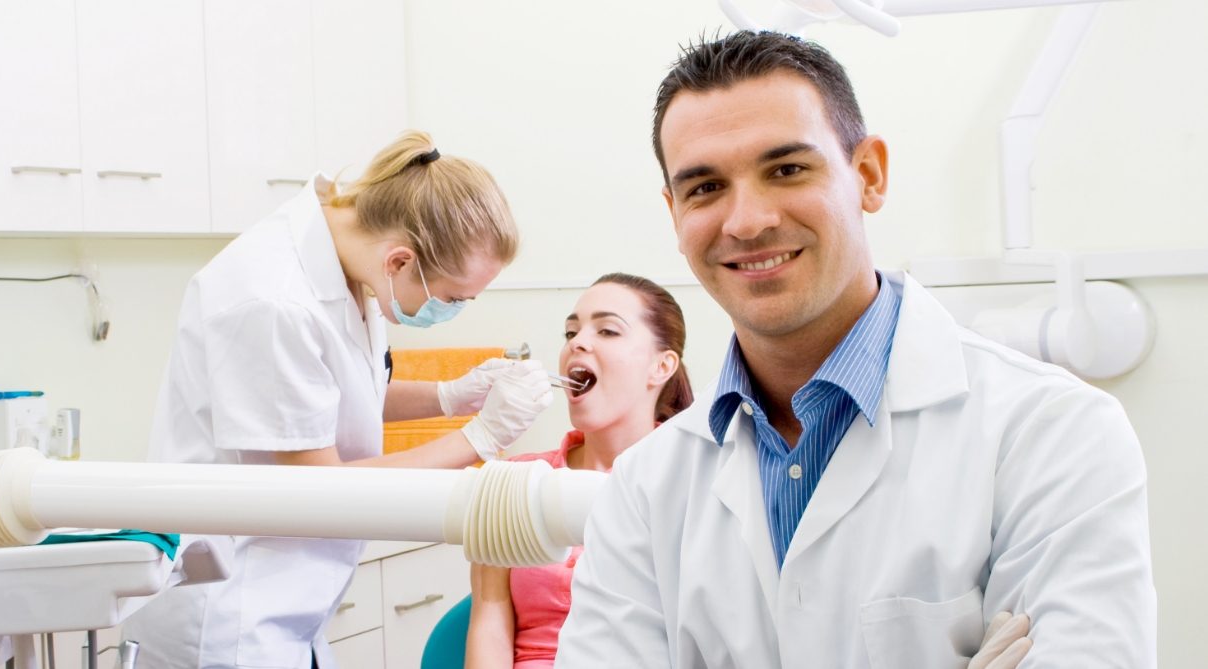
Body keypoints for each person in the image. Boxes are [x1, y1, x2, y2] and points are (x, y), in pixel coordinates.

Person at [555, 31, 1155, 668]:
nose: (747, 221)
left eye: (786, 169)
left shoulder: (1053, 434)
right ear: (674, 213)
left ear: (868, 176)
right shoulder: (647, 489)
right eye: (705, 188)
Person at [123, 130, 554, 669]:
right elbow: (320, 490)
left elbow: (337, 397)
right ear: (401, 262)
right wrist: (480, 438)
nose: (454, 310)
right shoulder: (274, 299)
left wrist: (450, 395)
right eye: (452, 299)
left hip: (291, 606)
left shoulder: (351, 262)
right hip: (232, 613)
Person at [464, 273, 693, 669]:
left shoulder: (694, 482)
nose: (577, 342)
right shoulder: (515, 479)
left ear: (662, 366)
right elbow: (489, 615)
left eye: (607, 330)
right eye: (571, 332)